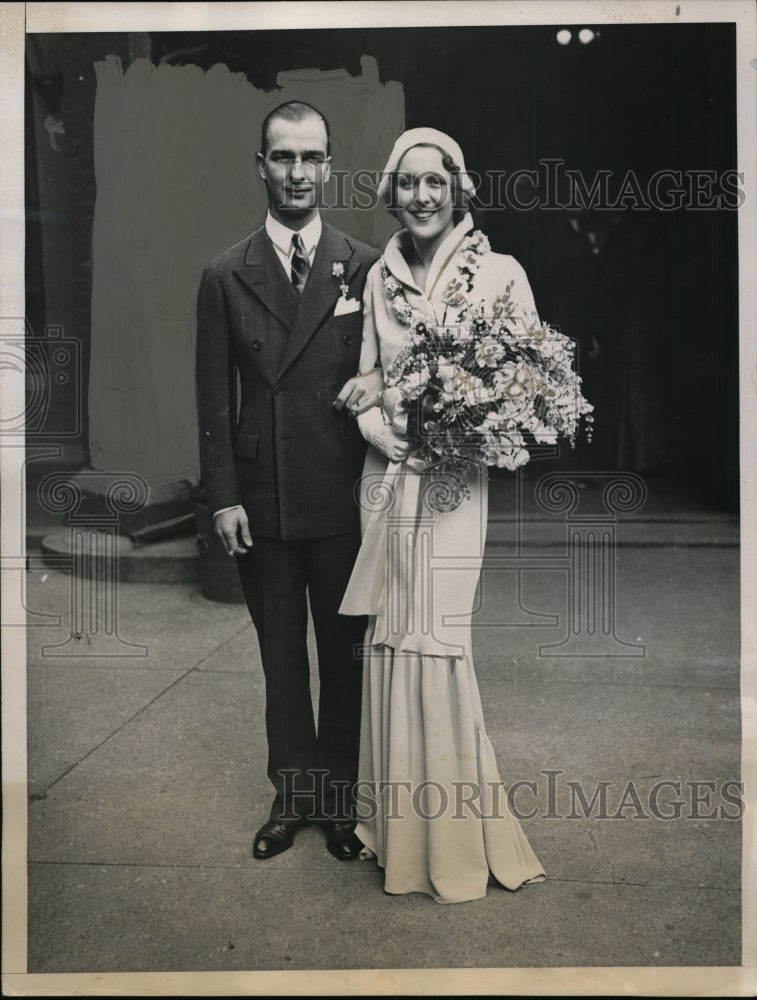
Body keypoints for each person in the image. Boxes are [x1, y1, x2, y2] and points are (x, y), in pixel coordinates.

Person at [337, 128, 547, 903]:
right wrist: (385, 427)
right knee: (390, 636)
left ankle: (455, 839)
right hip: (384, 477)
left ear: (459, 188)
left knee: (438, 635)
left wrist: (457, 434)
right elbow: (363, 380)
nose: (422, 196)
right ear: (392, 192)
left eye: (437, 182)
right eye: (408, 182)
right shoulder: (374, 277)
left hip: (454, 484)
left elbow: (530, 390)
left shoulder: (501, 274)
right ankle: (396, 835)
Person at [195, 101, 381, 862]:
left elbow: (391, 376)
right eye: (282, 158)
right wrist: (223, 497)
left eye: (310, 158)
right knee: (280, 659)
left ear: (329, 165)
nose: (296, 174)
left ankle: (339, 800)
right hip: (262, 497)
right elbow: (212, 398)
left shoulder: (365, 264)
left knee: (341, 658)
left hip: (340, 495)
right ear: (260, 166)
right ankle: (291, 794)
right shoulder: (224, 274)